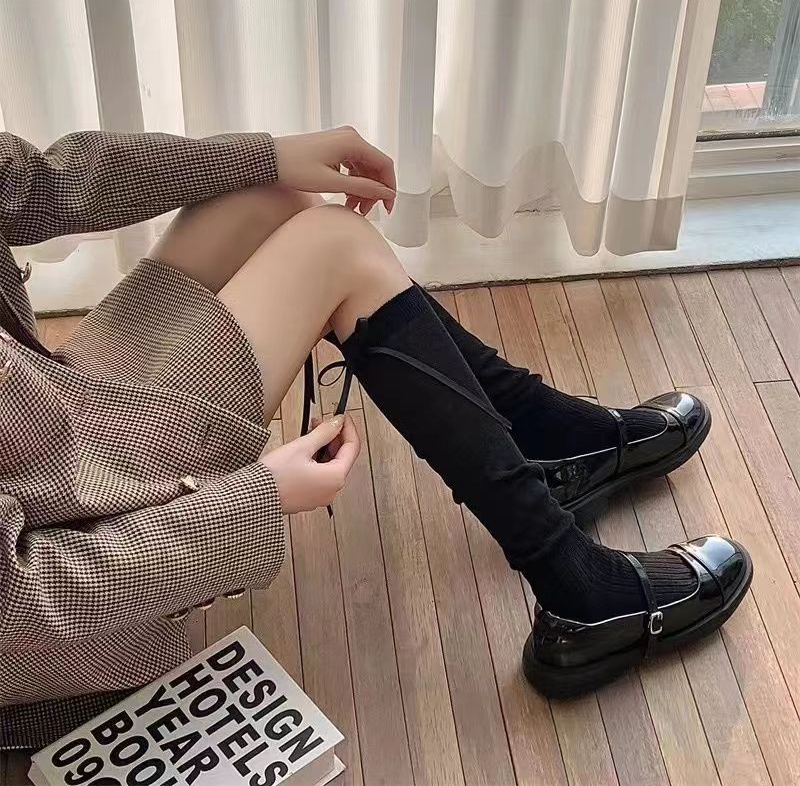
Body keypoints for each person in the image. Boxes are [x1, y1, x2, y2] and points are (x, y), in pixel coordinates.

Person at [0, 127, 751, 750]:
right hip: (68, 527)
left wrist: (271, 153)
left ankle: (544, 438)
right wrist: (257, 499)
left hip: (51, 416)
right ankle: (580, 589)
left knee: (268, 194)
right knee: (333, 246)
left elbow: (31, 184)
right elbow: (19, 598)